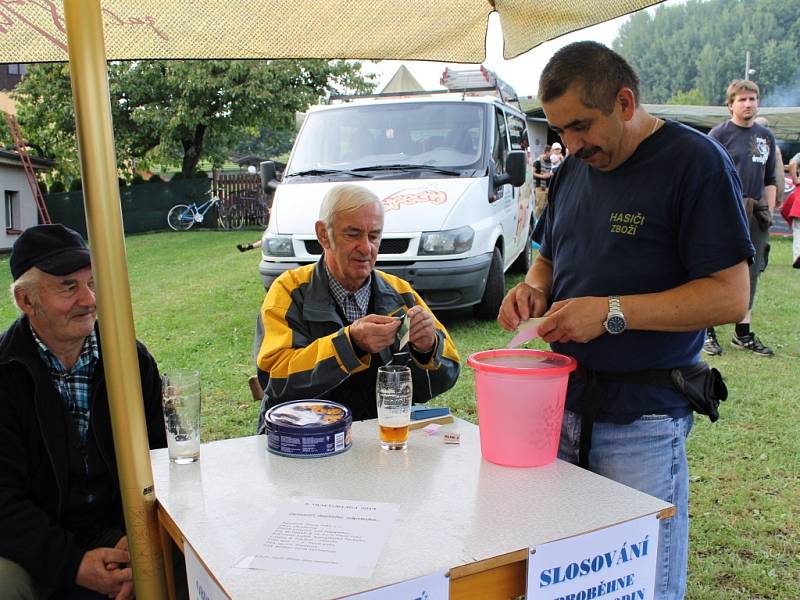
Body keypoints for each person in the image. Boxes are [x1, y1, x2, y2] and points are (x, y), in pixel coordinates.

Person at [497, 42, 752, 600]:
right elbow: (546, 257)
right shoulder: (571, 172)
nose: (571, 145)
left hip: (643, 419)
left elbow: (731, 297)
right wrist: (533, 290)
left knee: (639, 581)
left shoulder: (694, 162)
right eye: (560, 130)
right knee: (572, 575)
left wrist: (610, 312)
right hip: (560, 408)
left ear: (625, 101)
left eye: (581, 127)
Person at [0, 224, 167, 599]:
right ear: (27, 301)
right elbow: (3, 501)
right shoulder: (6, 374)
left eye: (92, 283)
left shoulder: (130, 360)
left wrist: (136, 538)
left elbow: (159, 457)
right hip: (36, 541)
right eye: (69, 287)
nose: (89, 299)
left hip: (116, 530)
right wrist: (73, 564)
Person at [256, 184, 460, 427]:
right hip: (305, 441)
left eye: (374, 236)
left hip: (379, 439)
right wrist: (350, 344)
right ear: (323, 234)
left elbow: (447, 373)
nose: (366, 248)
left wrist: (427, 349)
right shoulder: (290, 291)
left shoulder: (401, 294)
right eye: (352, 234)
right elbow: (273, 379)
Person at [704, 80, 777, 357]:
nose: (748, 104)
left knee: (752, 270)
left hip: (755, 211)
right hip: (725, 210)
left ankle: (742, 334)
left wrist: (767, 212)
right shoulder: (719, 134)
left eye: (753, 99)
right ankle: (706, 331)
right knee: (715, 269)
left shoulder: (765, 136)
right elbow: (707, 176)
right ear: (730, 104)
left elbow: (771, 178)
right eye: (742, 99)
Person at [532, 144, 553, 219]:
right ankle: (537, 223)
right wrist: (542, 176)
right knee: (539, 207)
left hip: (549, 187)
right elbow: (532, 173)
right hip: (540, 188)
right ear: (547, 152)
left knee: (547, 207)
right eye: (551, 151)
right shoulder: (538, 161)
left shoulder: (551, 161)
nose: (552, 153)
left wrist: (550, 174)